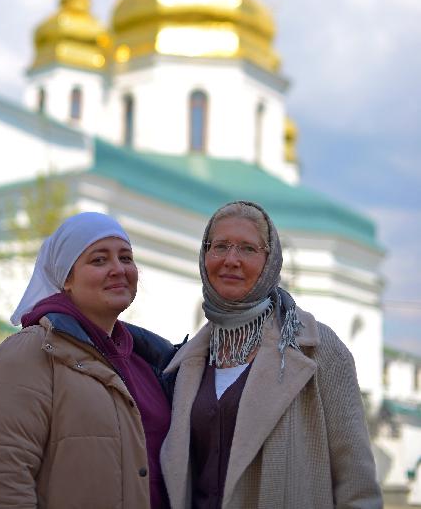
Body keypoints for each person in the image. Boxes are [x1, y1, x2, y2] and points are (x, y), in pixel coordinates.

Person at [161, 200, 383, 509]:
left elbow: (357, 488)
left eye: (248, 249)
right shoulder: (186, 362)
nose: (231, 259)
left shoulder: (318, 351)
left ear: (271, 261)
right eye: (220, 246)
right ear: (204, 255)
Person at [0, 212, 176, 509]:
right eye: (99, 260)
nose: (118, 269)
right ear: (67, 279)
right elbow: (2, 482)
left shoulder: (148, 362)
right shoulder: (30, 353)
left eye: (125, 258)